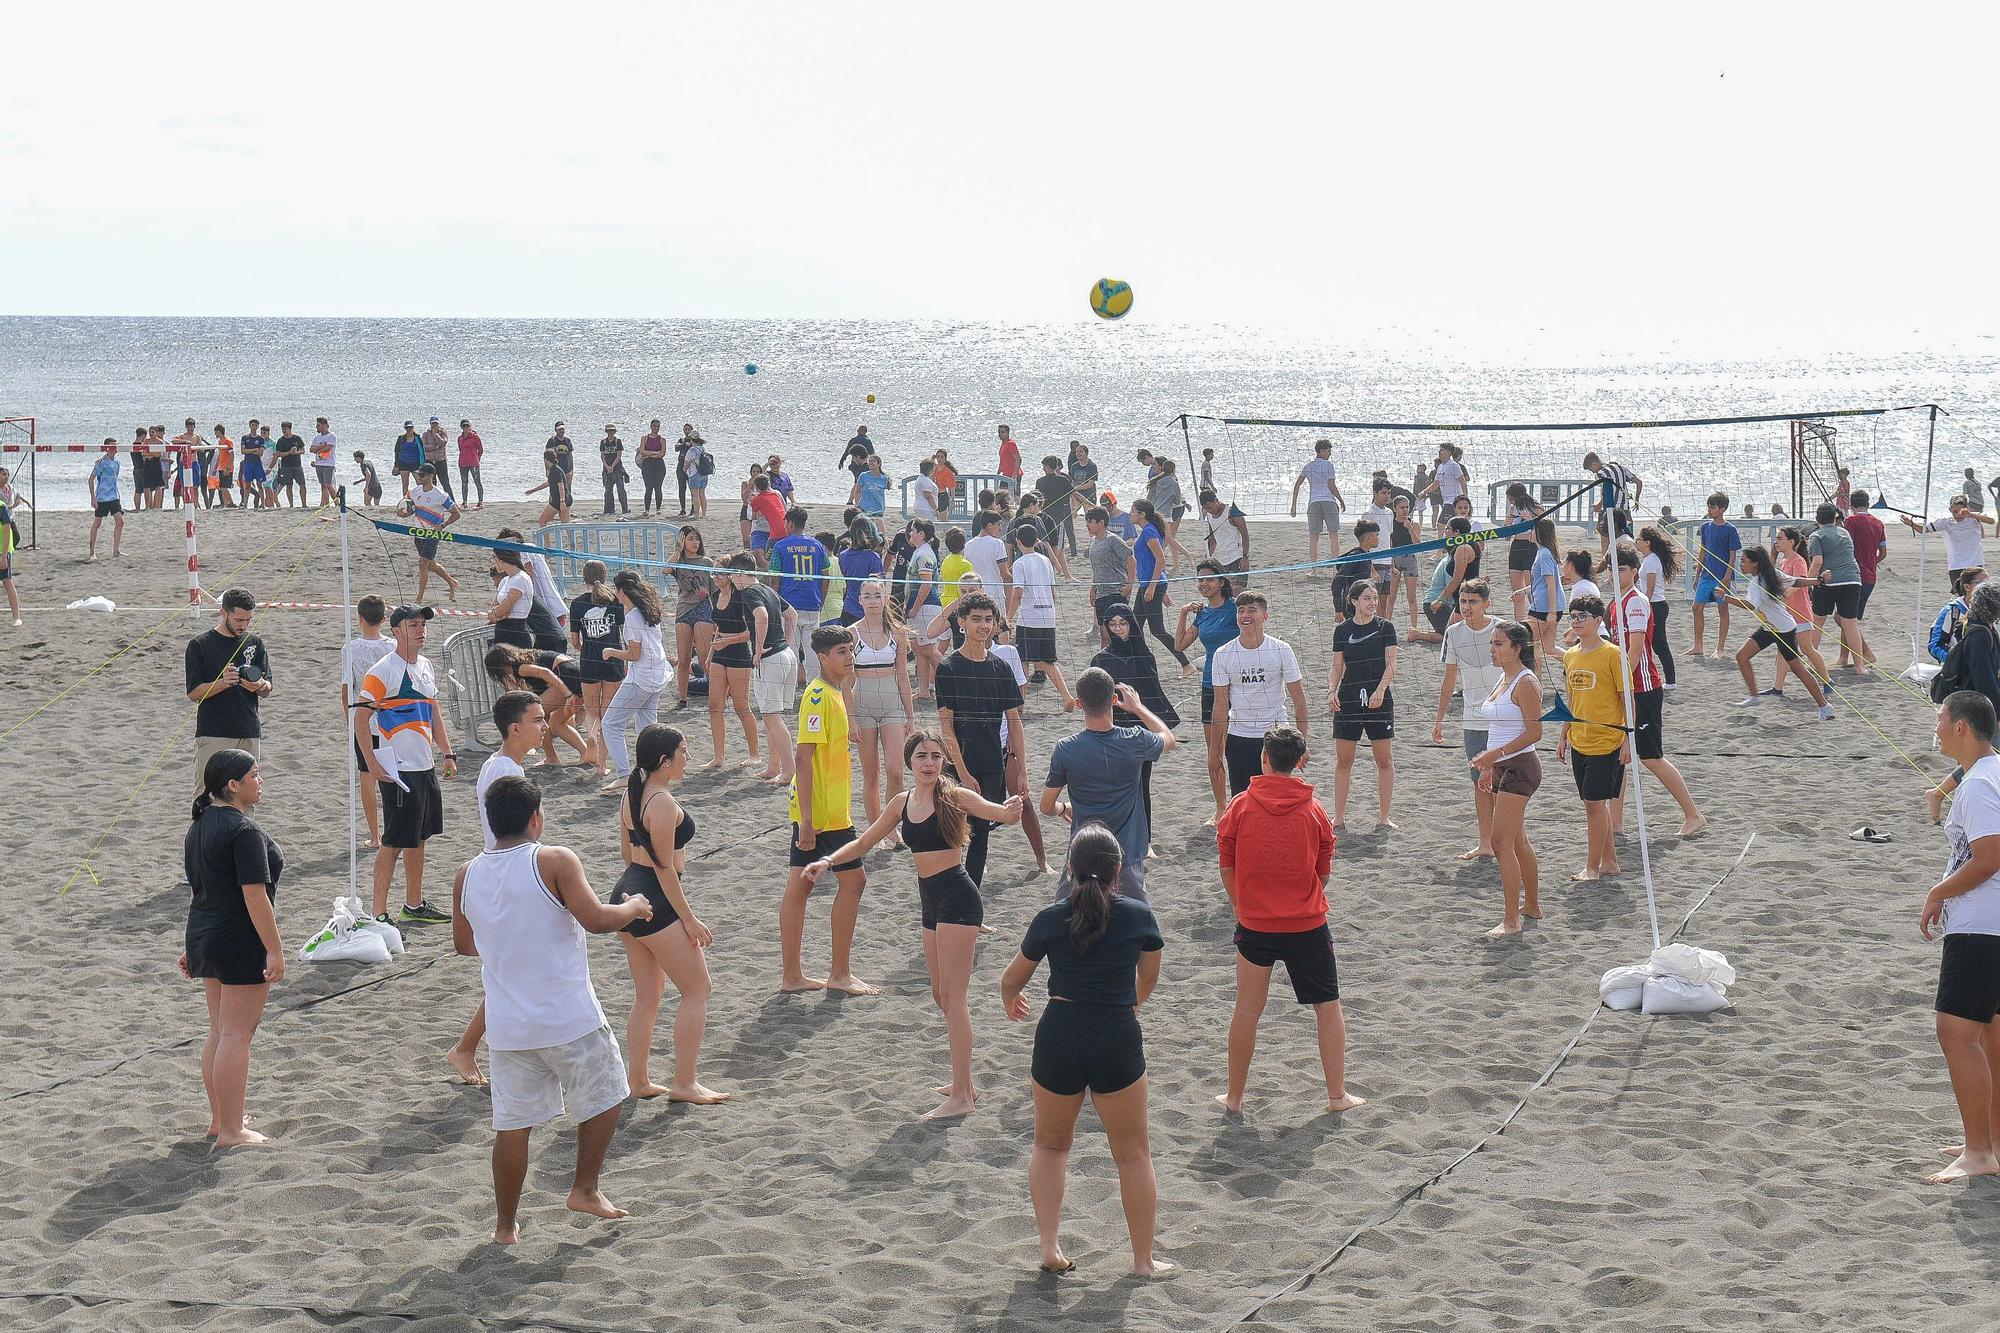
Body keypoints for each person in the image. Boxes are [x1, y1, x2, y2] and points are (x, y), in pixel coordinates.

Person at [453, 774, 648, 1244]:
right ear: (536, 818)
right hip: (566, 1016)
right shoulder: (554, 858)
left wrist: (513, 942)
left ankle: (505, 1227)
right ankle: (584, 1188)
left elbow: (464, 944)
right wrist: (635, 907)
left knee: (512, 1126)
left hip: (508, 1024)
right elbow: (598, 920)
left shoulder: (467, 872)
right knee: (608, 1095)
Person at [809, 732, 1022, 1118]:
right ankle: (966, 1083)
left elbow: (999, 813)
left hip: (958, 897)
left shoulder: (954, 796)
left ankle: (961, 1098)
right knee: (941, 994)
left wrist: (1013, 806)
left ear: (944, 762)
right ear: (909, 761)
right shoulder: (901, 802)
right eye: (922, 755)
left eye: (936, 756)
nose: (929, 762)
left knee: (954, 1000)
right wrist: (828, 861)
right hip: (929, 899)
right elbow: (863, 843)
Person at [999, 825, 1174, 1279]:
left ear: (1071, 869)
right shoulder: (1138, 916)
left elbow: (1011, 979)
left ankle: (1050, 1248)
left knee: (1050, 1145)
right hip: (1116, 1032)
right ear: (1118, 872)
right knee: (1133, 1153)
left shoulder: (1050, 918)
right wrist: (1129, 1003)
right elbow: (1149, 979)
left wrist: (1010, 999)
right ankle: (1142, 1261)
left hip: (1061, 1031)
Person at [1214, 726, 1360, 1115]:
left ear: (1264, 758)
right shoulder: (1314, 810)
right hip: (1306, 923)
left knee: (1247, 1008)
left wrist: (1240, 903)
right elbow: (1324, 871)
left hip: (1256, 923)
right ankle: (1336, 1097)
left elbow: (1225, 861)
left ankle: (1234, 1098)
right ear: (1299, 762)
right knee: (1328, 1005)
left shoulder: (1241, 805)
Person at [603, 724, 728, 1104]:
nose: (687, 758)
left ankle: (638, 1081)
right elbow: (664, 867)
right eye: (684, 752)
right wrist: (688, 918)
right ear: (664, 760)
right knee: (697, 989)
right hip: (654, 899)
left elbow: (628, 854)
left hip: (626, 892)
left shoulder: (632, 794)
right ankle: (685, 1083)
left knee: (647, 997)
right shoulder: (662, 803)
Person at [181, 748, 283, 1147]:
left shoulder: (199, 825)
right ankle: (231, 1130)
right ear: (233, 785)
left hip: (206, 933)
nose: (261, 782)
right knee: (236, 1034)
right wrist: (275, 949)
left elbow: (199, 891)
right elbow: (255, 896)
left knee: (220, 1032)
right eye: (255, 775)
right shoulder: (244, 832)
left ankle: (221, 1118)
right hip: (237, 938)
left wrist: (194, 945)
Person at [1918, 690, 2000, 1184]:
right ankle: (1989, 1140)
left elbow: (1989, 857)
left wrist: (1937, 891)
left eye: (1941, 720)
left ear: (1962, 727)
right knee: (1991, 1033)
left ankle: (1978, 1151)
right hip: (1993, 925)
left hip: (1982, 927)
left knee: (1956, 1031)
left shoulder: (1977, 784)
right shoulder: (1992, 773)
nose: (1938, 728)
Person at [456, 689, 555, 1088]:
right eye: (537, 720)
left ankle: (469, 1047)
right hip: (508, 877)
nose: (545, 726)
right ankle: (465, 1047)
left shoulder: (503, 765)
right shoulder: (502, 771)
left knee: (514, 972)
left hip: (510, 871)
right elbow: (515, 834)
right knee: (508, 973)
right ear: (515, 728)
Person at [780, 626, 878, 995]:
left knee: (804, 886)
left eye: (850, 649)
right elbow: (802, 758)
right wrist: (807, 820)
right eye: (841, 651)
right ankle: (835, 974)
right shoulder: (817, 697)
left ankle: (796, 975)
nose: (849, 656)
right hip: (820, 813)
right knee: (849, 882)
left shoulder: (835, 692)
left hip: (829, 809)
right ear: (822, 657)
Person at [356, 605, 456, 924]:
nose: (421, 630)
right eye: (413, 625)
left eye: (423, 625)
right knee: (394, 841)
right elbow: (360, 717)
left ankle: (413, 905)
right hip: (397, 768)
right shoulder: (383, 670)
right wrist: (371, 763)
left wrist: (448, 752)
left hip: (423, 766)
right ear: (397, 630)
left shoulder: (425, 665)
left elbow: (434, 712)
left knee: (419, 836)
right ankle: (378, 913)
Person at [1041, 667, 1174, 905]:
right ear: (1114, 700)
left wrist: (1063, 808)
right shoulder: (1136, 739)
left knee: (1064, 919)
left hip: (1083, 856)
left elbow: (1046, 806)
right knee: (1136, 926)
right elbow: (1168, 738)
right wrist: (1138, 707)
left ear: (1079, 703)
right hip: (1127, 856)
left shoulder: (1065, 748)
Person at [1609, 548, 1707, 837]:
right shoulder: (1616, 602)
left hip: (1642, 688)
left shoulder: (1635, 602)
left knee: (1651, 756)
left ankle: (1694, 815)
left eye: (1623, 568)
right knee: (1617, 756)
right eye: (1613, 568)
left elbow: (1636, 649)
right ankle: (1615, 823)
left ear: (1634, 571)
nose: (1616, 574)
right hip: (1624, 688)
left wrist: (1619, 682)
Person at [935, 592, 1026, 886]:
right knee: (951, 836)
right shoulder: (949, 668)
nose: (983, 626)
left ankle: (971, 902)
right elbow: (946, 726)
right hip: (958, 765)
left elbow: (1014, 722)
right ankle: (949, 899)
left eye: (988, 620)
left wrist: (1021, 768)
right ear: (961, 623)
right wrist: (962, 771)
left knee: (981, 835)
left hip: (991, 762)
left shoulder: (1001, 668)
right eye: (976, 619)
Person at [1469, 621, 1544, 937]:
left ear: (1517, 648)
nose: (1492, 649)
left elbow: (1534, 732)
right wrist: (1489, 765)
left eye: (1498, 644)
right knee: (1517, 841)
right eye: (1491, 644)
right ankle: (1532, 907)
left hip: (1520, 767)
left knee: (1500, 843)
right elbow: (1500, 726)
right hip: (1502, 766)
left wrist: (1493, 756)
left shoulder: (1526, 682)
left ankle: (1511, 921)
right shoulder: (1505, 677)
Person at [1091, 602, 1181, 851]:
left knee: (1142, 785)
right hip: (1111, 732)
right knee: (1113, 788)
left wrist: (1155, 727)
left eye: (1123, 623)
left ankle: (1145, 841)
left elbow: (1153, 695)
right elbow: (1094, 703)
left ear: (1131, 624)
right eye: (1113, 624)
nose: (1118, 628)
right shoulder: (1100, 660)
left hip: (1140, 733)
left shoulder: (1144, 656)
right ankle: (1112, 839)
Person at [1557, 596, 1629, 882]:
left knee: (1593, 805)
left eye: (1582, 615)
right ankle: (1610, 862)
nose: (1576, 620)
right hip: (1579, 740)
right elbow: (1571, 699)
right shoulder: (1570, 655)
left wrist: (1627, 739)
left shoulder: (1613, 654)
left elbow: (1627, 700)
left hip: (1607, 740)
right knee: (1594, 805)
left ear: (1599, 620)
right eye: (1572, 616)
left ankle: (1592, 867)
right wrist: (1563, 735)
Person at [1211, 591, 1310, 799]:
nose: (1245, 615)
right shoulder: (1223, 654)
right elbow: (1220, 706)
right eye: (1241, 611)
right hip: (1240, 737)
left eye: (1252, 610)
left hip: (1277, 737)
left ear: (1264, 616)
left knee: (1278, 800)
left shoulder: (1281, 649)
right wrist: (1214, 751)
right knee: (1244, 800)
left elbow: (1299, 700)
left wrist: (1303, 743)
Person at [1433, 579, 1504, 861]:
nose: (1467, 607)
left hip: (1502, 719)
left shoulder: (1502, 629)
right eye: (1463, 602)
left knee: (1503, 783)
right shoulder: (1454, 633)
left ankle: (1504, 841)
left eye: (1473, 602)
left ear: (1486, 604)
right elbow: (1449, 678)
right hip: (1472, 719)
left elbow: (1520, 672)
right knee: (1480, 783)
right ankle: (1485, 843)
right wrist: (1439, 719)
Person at [186, 587, 274, 792]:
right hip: (214, 732)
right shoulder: (200, 645)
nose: (244, 625)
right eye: (239, 620)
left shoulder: (255, 643)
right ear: (223, 613)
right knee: (209, 794)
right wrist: (222, 683)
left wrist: (259, 684)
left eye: (248, 620)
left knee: (248, 794)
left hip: (249, 729)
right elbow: (193, 693)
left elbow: (268, 686)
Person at [1327, 581, 1398, 830]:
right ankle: (1339, 817)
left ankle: (1384, 817)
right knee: (1344, 760)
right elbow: (1337, 667)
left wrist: (1380, 690)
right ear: (1354, 601)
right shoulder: (1342, 630)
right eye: (1367, 598)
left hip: (1379, 699)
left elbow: (1391, 666)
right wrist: (1331, 691)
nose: (1373, 602)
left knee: (1384, 760)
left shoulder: (1385, 627)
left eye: (1375, 598)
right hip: (1349, 698)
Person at [1727, 546, 1832, 716]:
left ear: (1755, 564)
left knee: (1798, 669)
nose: (1741, 564)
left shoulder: (1761, 580)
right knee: (1742, 656)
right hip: (1770, 628)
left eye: (1743, 561)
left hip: (1784, 630)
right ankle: (1754, 696)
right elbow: (1795, 581)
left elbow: (1750, 605)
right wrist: (1818, 580)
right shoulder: (1770, 574)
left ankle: (1824, 706)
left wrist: (1726, 598)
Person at [1175, 562, 1240, 824]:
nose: (1203, 584)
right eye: (1200, 580)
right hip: (1210, 685)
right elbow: (1179, 645)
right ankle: (1221, 807)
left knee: (1239, 748)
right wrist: (1182, 613)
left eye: (1209, 580)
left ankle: (1241, 802)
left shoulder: (1236, 608)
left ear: (1222, 582)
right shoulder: (1201, 615)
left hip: (1239, 684)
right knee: (1214, 752)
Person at [848, 579, 915, 832]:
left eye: (877, 596)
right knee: (871, 774)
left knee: (896, 771)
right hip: (862, 700)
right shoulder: (851, 633)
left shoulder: (898, 631)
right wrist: (851, 718)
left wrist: (910, 714)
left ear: (885, 598)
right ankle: (876, 830)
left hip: (891, 701)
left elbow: (903, 675)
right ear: (860, 600)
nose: (873, 601)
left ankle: (892, 827)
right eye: (868, 596)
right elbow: (845, 682)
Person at [599, 570, 673, 789]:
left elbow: (634, 654)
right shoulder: (648, 609)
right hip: (658, 675)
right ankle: (654, 771)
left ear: (621, 591)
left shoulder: (632, 616)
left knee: (610, 723)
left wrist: (611, 651)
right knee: (647, 729)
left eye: (616, 590)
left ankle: (624, 774)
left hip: (642, 678)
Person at [341, 594, 397, 850]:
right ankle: (393, 831)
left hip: (364, 720)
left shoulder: (350, 649)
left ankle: (375, 836)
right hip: (392, 721)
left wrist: (349, 722)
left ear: (360, 618)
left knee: (367, 776)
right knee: (393, 775)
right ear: (383, 619)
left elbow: (346, 691)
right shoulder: (394, 646)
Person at [483, 643, 594, 766]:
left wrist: (568, 695)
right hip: (572, 674)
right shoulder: (524, 658)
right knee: (556, 724)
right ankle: (584, 753)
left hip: (566, 677)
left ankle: (552, 758)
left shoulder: (520, 668)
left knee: (538, 714)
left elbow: (546, 673)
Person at [1003, 520, 1075, 709]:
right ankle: (1067, 697)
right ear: (1036, 541)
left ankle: (1020, 704)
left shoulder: (1020, 563)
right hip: (1048, 616)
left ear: (1018, 541)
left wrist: (1008, 618)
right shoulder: (1046, 561)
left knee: (1023, 661)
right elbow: (1053, 592)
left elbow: (1017, 593)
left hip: (1030, 617)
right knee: (1046, 661)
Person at [1806, 502, 1868, 675]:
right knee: (1850, 624)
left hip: (1829, 581)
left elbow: (1817, 562)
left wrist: (1809, 582)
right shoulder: (1845, 532)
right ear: (1835, 518)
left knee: (1817, 622)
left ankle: (1811, 663)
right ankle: (1859, 666)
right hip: (1853, 580)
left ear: (1817, 519)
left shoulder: (1816, 536)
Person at [771, 507, 831, 682]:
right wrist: (821, 600)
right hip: (812, 603)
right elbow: (825, 577)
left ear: (790, 523)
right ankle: (814, 687)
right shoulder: (818, 546)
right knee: (813, 651)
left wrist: (774, 605)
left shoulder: (780, 546)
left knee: (790, 649)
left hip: (788, 606)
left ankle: (789, 692)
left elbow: (775, 580)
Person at [1903, 494, 1995, 598]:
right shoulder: (1945, 522)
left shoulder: (1974, 518)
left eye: (1961, 511)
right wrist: (1911, 524)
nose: (1958, 515)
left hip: (1976, 563)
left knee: (1979, 595)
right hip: (1956, 566)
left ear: (1966, 508)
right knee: (1959, 597)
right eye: (1954, 511)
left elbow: (1991, 521)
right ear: (1950, 510)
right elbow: (1923, 530)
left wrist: (1972, 515)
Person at [1688, 492, 1741, 658]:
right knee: (1696, 607)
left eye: (1712, 507)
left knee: (1722, 608)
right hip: (1706, 575)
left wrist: (1727, 577)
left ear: (1722, 509)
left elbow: (1733, 556)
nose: (1709, 510)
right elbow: (1703, 552)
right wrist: (1697, 575)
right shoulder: (1705, 527)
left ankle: (1720, 648)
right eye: (1708, 507)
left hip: (1722, 577)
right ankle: (1698, 646)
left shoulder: (1730, 529)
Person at [669, 527, 716, 711]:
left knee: (704, 657)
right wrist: (677, 550)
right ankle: (682, 698)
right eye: (690, 539)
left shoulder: (707, 562)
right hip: (683, 611)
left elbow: (714, 591)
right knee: (683, 658)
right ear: (683, 541)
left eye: (697, 538)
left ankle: (715, 691)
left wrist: (717, 618)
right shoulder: (679, 562)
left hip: (703, 608)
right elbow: (665, 570)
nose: (694, 542)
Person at [1842, 488, 1889, 669]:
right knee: (1848, 616)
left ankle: (1866, 653)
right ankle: (1843, 657)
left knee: (1844, 618)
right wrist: (1871, 562)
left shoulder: (1851, 521)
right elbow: (1883, 553)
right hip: (1870, 575)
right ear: (1868, 505)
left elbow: (1847, 548)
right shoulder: (1878, 523)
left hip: (1854, 575)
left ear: (1851, 505)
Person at [407, 465, 461, 605]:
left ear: (431, 476)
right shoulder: (414, 491)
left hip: (433, 534)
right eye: (419, 474)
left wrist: (443, 525)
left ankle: (419, 598)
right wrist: (401, 512)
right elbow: (404, 507)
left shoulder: (441, 495)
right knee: (430, 564)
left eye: (423, 475)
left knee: (422, 563)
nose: (420, 477)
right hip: (418, 532)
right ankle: (452, 582)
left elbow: (456, 514)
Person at [1634, 525, 1680, 688]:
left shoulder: (1652, 560)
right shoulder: (1648, 559)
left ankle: (1671, 680)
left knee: (1660, 644)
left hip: (1656, 605)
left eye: (1638, 540)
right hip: (1653, 604)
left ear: (1647, 542)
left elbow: (1651, 588)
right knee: (1654, 643)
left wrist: (1643, 605)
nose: (1636, 542)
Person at [1425, 515, 1482, 636]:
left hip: (1468, 598)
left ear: (1457, 532)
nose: (1445, 532)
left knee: (1450, 638)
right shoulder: (1465, 545)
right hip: (1465, 598)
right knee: (1457, 638)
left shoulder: (1463, 548)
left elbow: (1457, 579)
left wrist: (1440, 600)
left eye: (1447, 529)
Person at [1289, 438, 1344, 564]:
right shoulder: (1328, 465)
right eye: (1328, 451)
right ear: (1321, 451)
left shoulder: (1308, 466)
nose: (1330, 454)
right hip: (1328, 501)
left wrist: (1293, 506)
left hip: (1314, 503)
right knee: (1333, 535)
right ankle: (1336, 568)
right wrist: (1341, 500)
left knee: (1313, 537)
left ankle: (1313, 569)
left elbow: (1297, 485)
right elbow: (1332, 486)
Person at [1526, 517, 1568, 668]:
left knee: (1528, 645)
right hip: (1551, 605)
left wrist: (1551, 612)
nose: (1529, 532)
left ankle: (1534, 681)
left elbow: (1551, 584)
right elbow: (1543, 583)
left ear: (1539, 532)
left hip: (1544, 607)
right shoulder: (1545, 552)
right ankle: (1578, 663)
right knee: (1548, 647)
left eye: (1532, 529)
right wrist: (1521, 591)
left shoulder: (1544, 554)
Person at [1583, 451, 1641, 552]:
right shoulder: (1621, 468)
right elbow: (1639, 482)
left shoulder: (1601, 473)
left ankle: (1607, 564)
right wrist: (1636, 500)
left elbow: (1606, 493)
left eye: (1590, 469)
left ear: (1594, 463)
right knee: (1627, 539)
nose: (1592, 472)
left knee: (1605, 539)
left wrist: (1598, 506)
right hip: (1624, 510)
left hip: (1610, 510)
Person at [1933, 568, 1989, 664]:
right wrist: (1956, 660)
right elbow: (1935, 646)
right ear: (1967, 587)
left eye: (1989, 583)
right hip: (1961, 671)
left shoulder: (1994, 609)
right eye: (1982, 583)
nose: (1988, 587)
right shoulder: (1951, 611)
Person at [1199, 489, 1250, 593]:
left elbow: (1245, 536)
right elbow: (1213, 540)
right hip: (1223, 559)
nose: (1209, 510)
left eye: (1210, 507)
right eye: (1205, 509)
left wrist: (1245, 557)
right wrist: (1207, 556)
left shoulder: (1232, 512)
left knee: (1238, 591)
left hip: (1238, 557)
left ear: (1216, 500)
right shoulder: (1209, 516)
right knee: (1226, 593)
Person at [87, 441, 125, 560]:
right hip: (102, 497)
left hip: (114, 497)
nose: (116, 448)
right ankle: (92, 552)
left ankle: (116, 551)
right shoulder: (101, 462)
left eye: (116, 445)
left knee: (120, 522)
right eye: (113, 445)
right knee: (97, 523)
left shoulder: (117, 463)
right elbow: (91, 479)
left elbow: (114, 480)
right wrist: (93, 497)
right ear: (108, 448)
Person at [636, 420, 668, 516]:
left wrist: (651, 454)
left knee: (658, 487)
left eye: (658, 426)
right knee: (648, 487)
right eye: (654, 426)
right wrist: (655, 453)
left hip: (659, 464)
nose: (656, 428)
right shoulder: (644, 438)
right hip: (647, 464)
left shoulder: (662, 439)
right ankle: (647, 509)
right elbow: (642, 451)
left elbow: (662, 453)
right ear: (651, 426)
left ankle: (658, 509)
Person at [599, 425, 630, 517]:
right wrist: (607, 467)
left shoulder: (618, 442)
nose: (610, 432)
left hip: (617, 469)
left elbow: (619, 456)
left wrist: (612, 466)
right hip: (607, 469)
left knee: (620, 489)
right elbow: (602, 456)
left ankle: (625, 508)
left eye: (612, 431)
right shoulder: (603, 442)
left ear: (615, 431)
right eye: (609, 431)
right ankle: (609, 509)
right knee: (608, 490)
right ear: (606, 431)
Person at [420, 417, 453, 501]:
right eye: (433, 423)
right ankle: (432, 501)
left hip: (441, 461)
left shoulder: (443, 433)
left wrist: (436, 435)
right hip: (430, 462)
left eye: (436, 423)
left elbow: (443, 442)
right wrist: (434, 447)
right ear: (430, 424)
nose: (434, 425)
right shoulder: (425, 434)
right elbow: (424, 447)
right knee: (432, 483)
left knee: (445, 483)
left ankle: (452, 501)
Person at [455, 418, 485, 510]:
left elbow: (480, 450)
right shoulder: (460, 438)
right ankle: (464, 502)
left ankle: (480, 502)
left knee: (477, 482)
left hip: (473, 463)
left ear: (470, 427)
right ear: (461, 427)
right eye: (464, 426)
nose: (466, 428)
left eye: (467, 426)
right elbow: (461, 449)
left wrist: (477, 459)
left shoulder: (475, 437)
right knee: (464, 483)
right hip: (463, 463)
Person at [392, 420, 424, 498]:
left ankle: (420, 497)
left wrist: (423, 464)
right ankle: (405, 499)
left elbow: (422, 451)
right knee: (405, 483)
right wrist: (396, 465)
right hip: (403, 463)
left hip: (415, 463)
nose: (409, 429)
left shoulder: (418, 438)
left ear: (413, 427)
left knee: (420, 482)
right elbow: (397, 452)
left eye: (410, 427)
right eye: (407, 428)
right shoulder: (401, 438)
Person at [996, 423, 1023, 496]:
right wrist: (998, 472)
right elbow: (1003, 459)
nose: (1000, 434)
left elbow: (1018, 459)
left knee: (1014, 496)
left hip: (1013, 476)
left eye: (1002, 432)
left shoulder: (1010, 444)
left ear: (1007, 433)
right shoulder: (1003, 443)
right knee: (1001, 495)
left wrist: (1014, 475)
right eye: (999, 432)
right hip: (1005, 475)